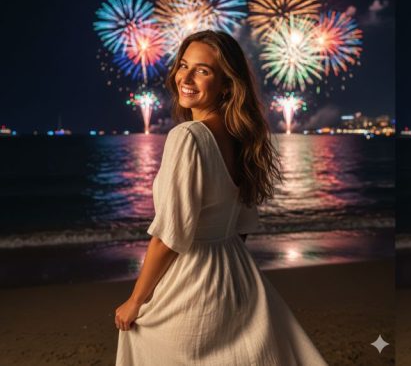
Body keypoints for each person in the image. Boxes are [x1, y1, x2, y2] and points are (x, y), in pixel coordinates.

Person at [114, 30, 327, 365]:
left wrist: (136, 300)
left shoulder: (188, 136)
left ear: (227, 84)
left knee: (140, 338)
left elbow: (169, 236)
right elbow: (242, 225)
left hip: (192, 280)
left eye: (202, 70)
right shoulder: (241, 138)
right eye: (183, 65)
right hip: (238, 275)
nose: (185, 78)